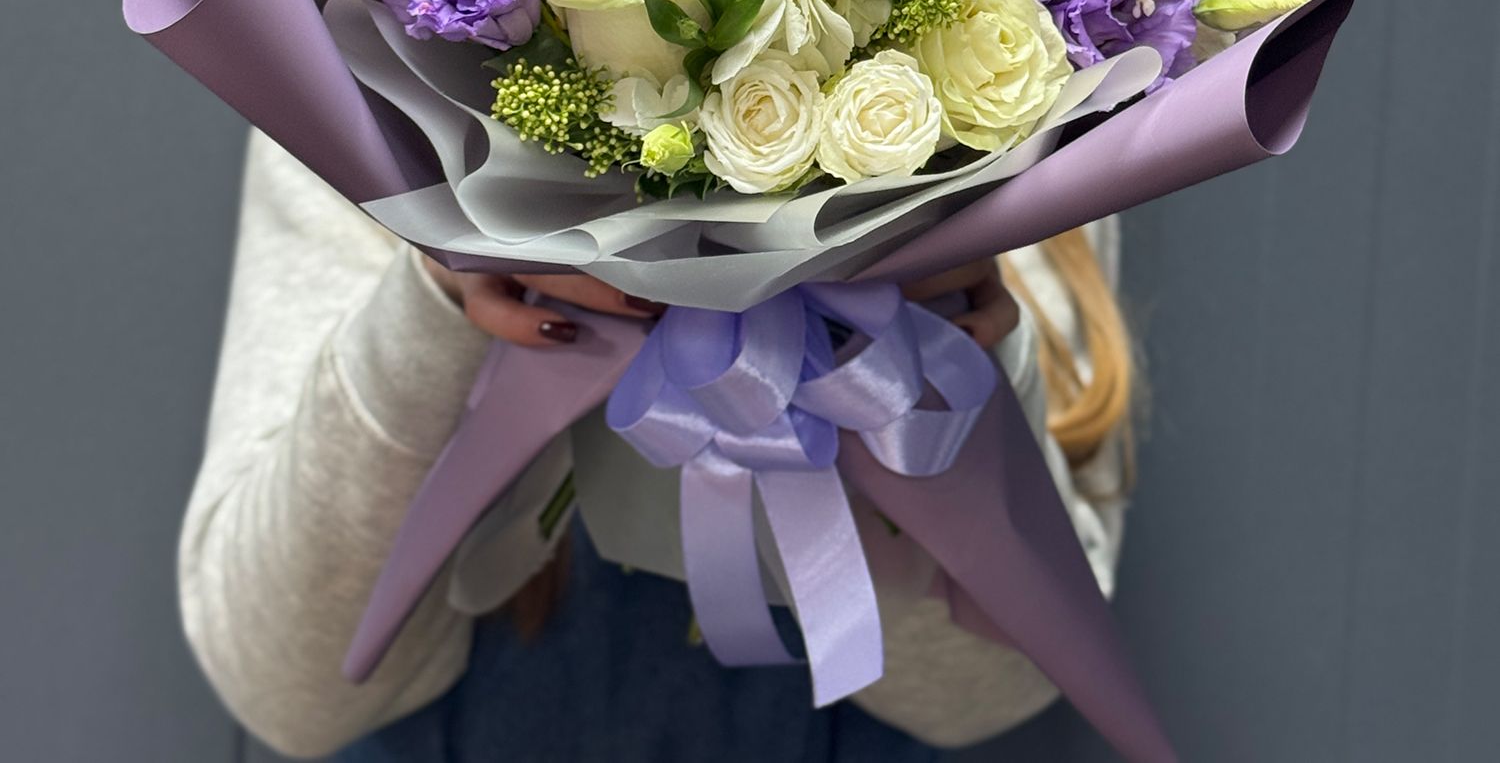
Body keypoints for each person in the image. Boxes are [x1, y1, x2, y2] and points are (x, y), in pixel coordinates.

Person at [179, 131, 1135, 761]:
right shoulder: (367, 63)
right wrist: (441, 286)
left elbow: (990, 692)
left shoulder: (1024, 80)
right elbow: (291, 689)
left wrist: (902, 349)